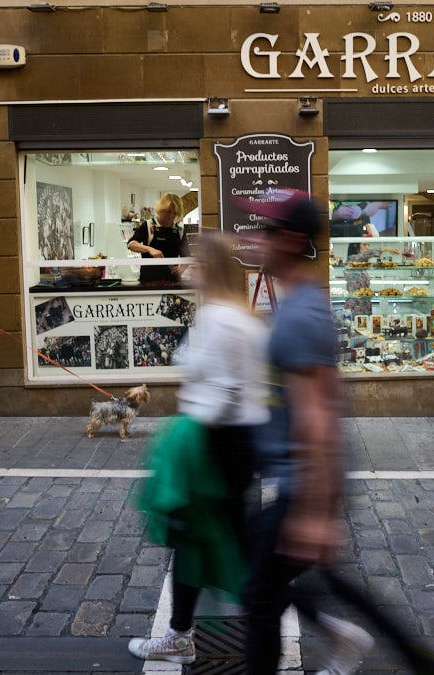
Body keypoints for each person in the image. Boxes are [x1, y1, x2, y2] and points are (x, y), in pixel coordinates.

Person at [236, 188, 375, 675]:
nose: (254, 238)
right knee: (262, 580)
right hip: (295, 482)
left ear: (292, 240)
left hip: (301, 486)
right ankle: (341, 633)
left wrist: (316, 514)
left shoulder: (299, 314)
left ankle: (343, 636)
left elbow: (320, 418)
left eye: (266, 230)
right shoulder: (295, 305)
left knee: (258, 595)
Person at [129, 233, 270, 665]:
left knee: (204, 542)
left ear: (212, 269)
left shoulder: (219, 319)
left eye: (196, 265)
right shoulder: (239, 317)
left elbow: (225, 389)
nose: (189, 272)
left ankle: (181, 635)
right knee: (208, 542)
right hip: (237, 443)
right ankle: (181, 633)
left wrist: (191, 441)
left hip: (217, 444)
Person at [127, 193, 189, 285]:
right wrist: (149, 249)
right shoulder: (148, 225)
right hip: (149, 282)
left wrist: (182, 269)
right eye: (168, 212)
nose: (171, 216)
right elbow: (131, 244)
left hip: (172, 282)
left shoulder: (179, 230)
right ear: (161, 210)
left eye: (175, 213)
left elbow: (186, 256)